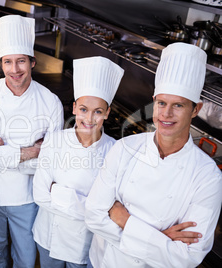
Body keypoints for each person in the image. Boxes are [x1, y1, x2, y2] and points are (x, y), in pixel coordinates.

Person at [85, 42, 222, 267]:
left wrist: (123, 219)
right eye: (161, 103)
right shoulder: (124, 148)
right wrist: (160, 239)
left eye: (178, 105)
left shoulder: (207, 177)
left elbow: (187, 257)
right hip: (102, 261)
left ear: (195, 109)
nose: (166, 114)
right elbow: (93, 215)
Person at [0, 14, 64, 267]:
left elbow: (51, 162)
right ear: (1, 63)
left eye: (21, 61)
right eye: (8, 62)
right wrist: (33, 150)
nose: (15, 70)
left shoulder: (50, 102)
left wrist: (4, 150)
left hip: (28, 197)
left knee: (25, 256)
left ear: (32, 62)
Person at [32, 56, 124, 268]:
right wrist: (90, 207)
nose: (89, 119)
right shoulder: (55, 140)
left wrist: (58, 193)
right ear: (74, 108)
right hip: (48, 237)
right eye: (83, 109)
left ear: (107, 113)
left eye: (98, 111)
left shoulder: (114, 151)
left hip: (85, 245)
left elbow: (109, 211)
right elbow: (39, 195)